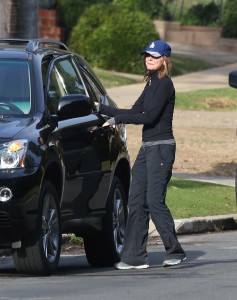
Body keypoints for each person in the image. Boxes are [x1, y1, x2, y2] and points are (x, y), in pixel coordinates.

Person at [96, 40, 186, 269]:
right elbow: (135, 111)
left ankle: (175, 251)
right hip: (148, 148)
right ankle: (135, 257)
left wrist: (117, 119)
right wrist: (101, 109)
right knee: (136, 201)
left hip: (162, 148)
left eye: (154, 56)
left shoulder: (165, 85)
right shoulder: (151, 84)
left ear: (164, 60)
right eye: (147, 55)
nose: (149, 59)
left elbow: (148, 117)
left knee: (154, 201)